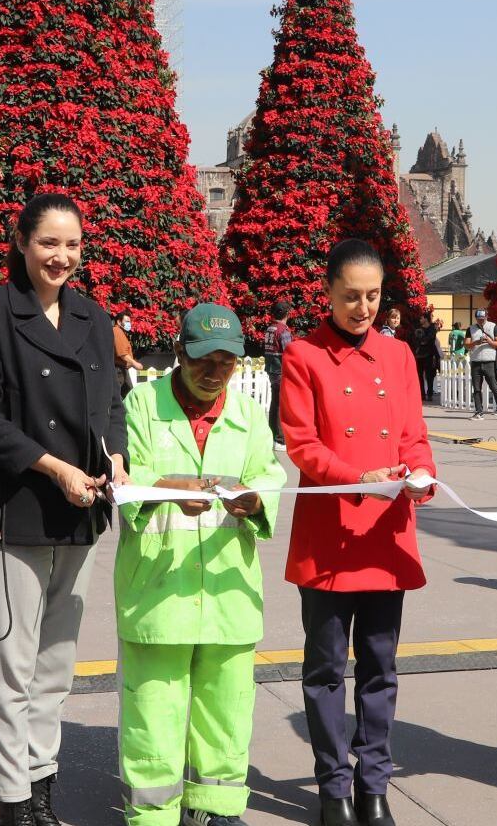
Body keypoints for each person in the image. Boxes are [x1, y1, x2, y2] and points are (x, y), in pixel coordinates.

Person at [0, 193, 130, 826]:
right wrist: (55, 468)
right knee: (12, 671)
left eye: (73, 245)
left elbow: (112, 406)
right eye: (49, 243)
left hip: (80, 515)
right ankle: (13, 801)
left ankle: (43, 789)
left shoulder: (93, 317)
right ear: (22, 242)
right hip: (16, 517)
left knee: (55, 668)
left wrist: (114, 460)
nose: (62, 257)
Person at [281, 240, 437, 826]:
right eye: (351, 296)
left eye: (372, 295)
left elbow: (414, 433)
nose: (363, 307)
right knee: (324, 669)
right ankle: (333, 788)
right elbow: (303, 443)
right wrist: (358, 477)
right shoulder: (303, 354)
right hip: (330, 532)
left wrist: (422, 473)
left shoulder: (398, 357)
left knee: (380, 666)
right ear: (327, 292)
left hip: (385, 531)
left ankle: (374, 785)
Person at [116, 302, 286, 826]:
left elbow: (269, 474)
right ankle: (153, 817)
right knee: (153, 714)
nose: (215, 373)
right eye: (203, 361)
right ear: (178, 354)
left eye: (227, 362)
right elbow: (129, 478)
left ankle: (217, 808)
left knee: (226, 710)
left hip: (228, 593)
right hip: (157, 592)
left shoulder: (249, 414)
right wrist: (169, 489)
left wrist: (255, 501)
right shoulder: (142, 404)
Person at [465, 308, 497, 421]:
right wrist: (476, 342)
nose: (481, 321)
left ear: (487, 317)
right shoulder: (471, 329)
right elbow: (466, 344)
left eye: (483, 319)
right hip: (475, 361)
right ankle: (479, 412)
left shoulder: (493, 327)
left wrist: (489, 341)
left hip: (490, 361)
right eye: (478, 319)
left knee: (494, 387)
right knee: (477, 389)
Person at [261, 301, 295, 442]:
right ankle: (280, 436)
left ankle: (273, 431)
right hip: (281, 370)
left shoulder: (270, 328)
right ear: (287, 314)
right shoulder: (283, 331)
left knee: (275, 401)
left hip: (271, 369)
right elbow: (289, 352)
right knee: (282, 403)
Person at [114, 313, 147, 395]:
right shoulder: (117, 331)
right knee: (125, 396)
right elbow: (122, 353)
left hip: (120, 369)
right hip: (119, 370)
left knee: (126, 395)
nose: (129, 324)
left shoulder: (120, 332)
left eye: (129, 322)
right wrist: (134, 363)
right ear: (118, 322)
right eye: (127, 321)